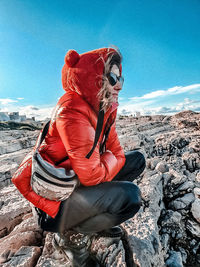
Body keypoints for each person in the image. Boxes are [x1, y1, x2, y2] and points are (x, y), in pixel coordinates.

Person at [12, 47, 146, 267]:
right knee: (130, 197)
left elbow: (118, 152)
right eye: (112, 78)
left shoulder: (103, 108)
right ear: (93, 78)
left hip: (76, 183)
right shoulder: (72, 110)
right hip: (54, 205)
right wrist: (109, 161)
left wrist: (108, 162)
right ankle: (70, 238)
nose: (119, 85)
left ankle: (93, 220)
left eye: (120, 78)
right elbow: (93, 176)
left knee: (137, 160)